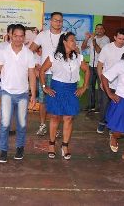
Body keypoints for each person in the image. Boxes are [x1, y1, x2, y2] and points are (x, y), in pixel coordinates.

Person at [0, 24, 36, 163]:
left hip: (23, 94)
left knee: (22, 124)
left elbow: (32, 75)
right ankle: (3, 151)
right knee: (4, 124)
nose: (18, 38)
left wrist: (33, 94)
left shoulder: (28, 53)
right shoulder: (3, 52)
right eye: (15, 36)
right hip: (6, 93)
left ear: (24, 37)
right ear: (10, 36)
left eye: (21, 36)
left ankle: (19, 148)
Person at [40, 32, 89, 160]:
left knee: (69, 118)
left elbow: (87, 70)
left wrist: (84, 87)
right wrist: (45, 87)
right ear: (64, 42)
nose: (75, 43)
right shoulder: (53, 57)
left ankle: (65, 146)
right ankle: (51, 144)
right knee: (55, 118)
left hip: (72, 90)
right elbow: (41, 71)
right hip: (57, 89)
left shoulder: (78, 57)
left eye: (75, 40)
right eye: (72, 40)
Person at [30, 12, 64, 137]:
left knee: (58, 101)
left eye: (60, 20)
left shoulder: (65, 36)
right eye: (55, 20)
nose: (58, 23)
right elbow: (30, 51)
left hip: (61, 76)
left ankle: (57, 128)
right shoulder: (42, 35)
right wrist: (34, 68)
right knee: (43, 101)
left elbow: (74, 52)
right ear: (51, 21)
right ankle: (43, 125)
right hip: (45, 74)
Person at [96, 28, 124, 134]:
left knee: (118, 106)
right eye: (119, 38)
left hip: (122, 84)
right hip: (107, 83)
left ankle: (113, 125)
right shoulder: (107, 48)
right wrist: (101, 80)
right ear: (114, 37)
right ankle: (102, 123)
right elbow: (100, 65)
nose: (121, 41)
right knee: (105, 104)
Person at [81, 24, 110, 112]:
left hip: (101, 66)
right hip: (91, 65)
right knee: (90, 86)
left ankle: (101, 107)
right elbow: (83, 47)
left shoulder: (106, 39)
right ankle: (91, 105)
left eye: (101, 29)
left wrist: (93, 39)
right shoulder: (92, 38)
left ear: (104, 30)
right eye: (97, 29)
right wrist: (86, 38)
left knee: (101, 86)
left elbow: (98, 51)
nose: (99, 30)